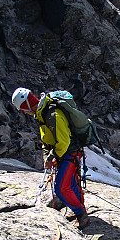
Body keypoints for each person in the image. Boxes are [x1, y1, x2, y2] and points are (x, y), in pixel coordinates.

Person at [11, 87, 89, 229]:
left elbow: (63, 141)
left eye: (23, 109)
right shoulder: (43, 113)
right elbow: (46, 140)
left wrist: (52, 156)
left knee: (61, 188)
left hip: (69, 152)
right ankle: (78, 208)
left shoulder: (52, 114)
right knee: (71, 184)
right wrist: (48, 157)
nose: (25, 112)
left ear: (27, 106)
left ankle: (81, 214)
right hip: (65, 153)